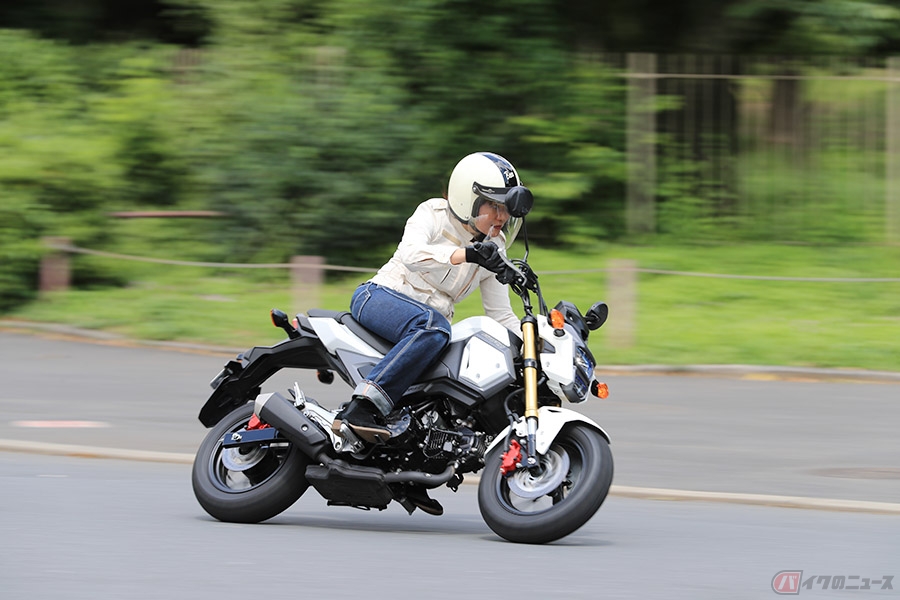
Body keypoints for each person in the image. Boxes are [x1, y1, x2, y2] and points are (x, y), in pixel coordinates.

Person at [332, 152, 530, 447]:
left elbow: (501, 315)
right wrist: (467, 254)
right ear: (468, 198)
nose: (503, 216)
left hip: (424, 328)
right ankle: (362, 407)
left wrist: (533, 344)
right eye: (495, 205)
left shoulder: (494, 246)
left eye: (506, 208)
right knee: (434, 327)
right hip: (379, 297)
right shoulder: (434, 214)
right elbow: (411, 255)